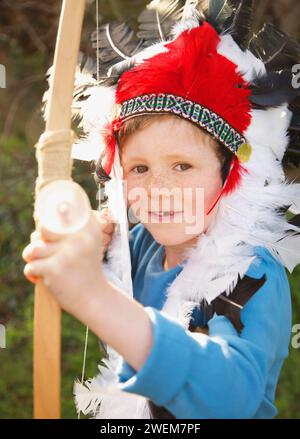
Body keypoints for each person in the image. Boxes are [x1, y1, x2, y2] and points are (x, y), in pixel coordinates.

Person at [22, 1, 300, 419]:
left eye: (183, 166)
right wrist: (77, 252)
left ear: (230, 175)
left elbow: (232, 398)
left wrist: (94, 297)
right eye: (139, 168)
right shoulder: (136, 245)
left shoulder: (250, 270)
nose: (159, 189)